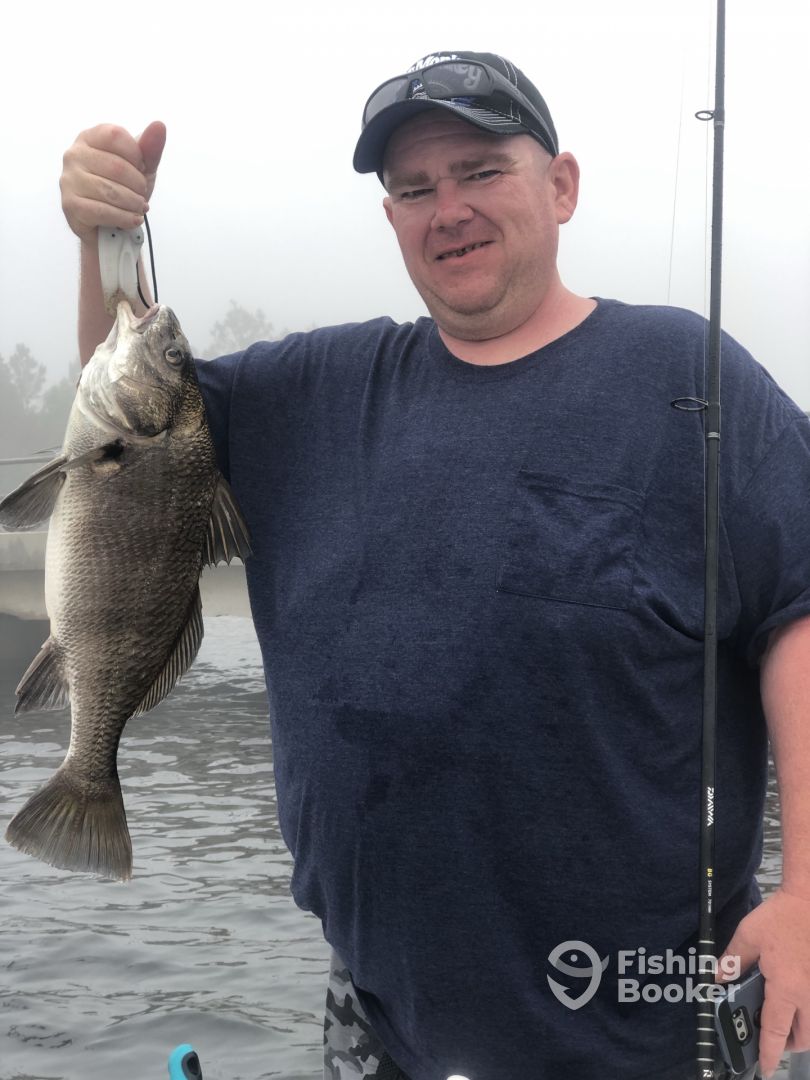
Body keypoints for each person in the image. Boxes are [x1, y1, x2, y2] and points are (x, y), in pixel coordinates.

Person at [59, 52, 810, 1080]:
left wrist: (806, 894)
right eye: (413, 188)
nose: (446, 209)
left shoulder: (687, 374)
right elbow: (127, 449)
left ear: (562, 186)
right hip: (380, 1014)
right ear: (391, 219)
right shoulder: (312, 390)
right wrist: (104, 241)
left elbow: (798, 607)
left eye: (480, 170)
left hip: (642, 1022)